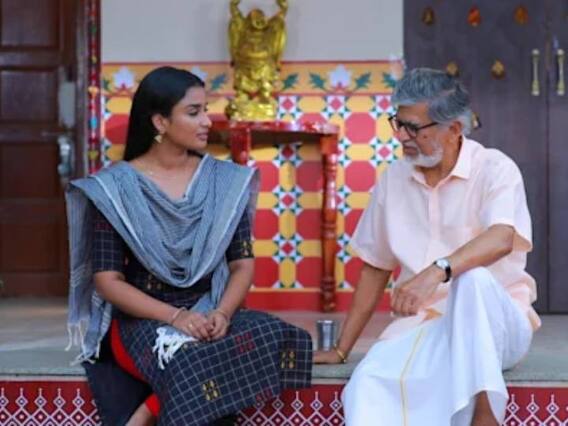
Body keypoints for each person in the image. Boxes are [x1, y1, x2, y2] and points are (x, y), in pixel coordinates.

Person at [66, 66, 312, 425]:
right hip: (144, 320)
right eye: (194, 112)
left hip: (211, 313)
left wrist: (222, 314)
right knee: (188, 358)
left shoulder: (224, 182)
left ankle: (146, 412)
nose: (207, 121)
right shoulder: (114, 189)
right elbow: (108, 282)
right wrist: (177, 318)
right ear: (160, 122)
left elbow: (242, 265)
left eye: (205, 110)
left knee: (280, 335)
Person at [314, 68, 539, 426]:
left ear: (454, 129)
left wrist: (437, 271)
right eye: (397, 123)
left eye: (413, 127)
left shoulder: (495, 168)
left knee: (472, 280)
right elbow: (375, 267)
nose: (401, 136)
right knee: (367, 385)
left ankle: (486, 417)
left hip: (498, 328)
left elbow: (502, 238)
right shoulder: (393, 179)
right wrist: (342, 348)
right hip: (419, 327)